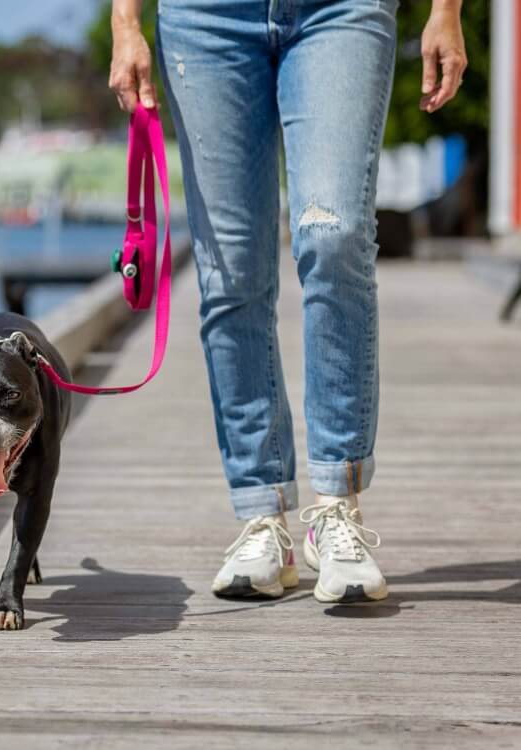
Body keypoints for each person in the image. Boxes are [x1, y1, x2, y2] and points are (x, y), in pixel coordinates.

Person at [109, 0, 467, 603]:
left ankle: (337, 504)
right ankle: (261, 512)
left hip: (341, 10)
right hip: (204, 18)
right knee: (231, 271)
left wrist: (447, 10)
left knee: (335, 235)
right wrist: (125, 22)